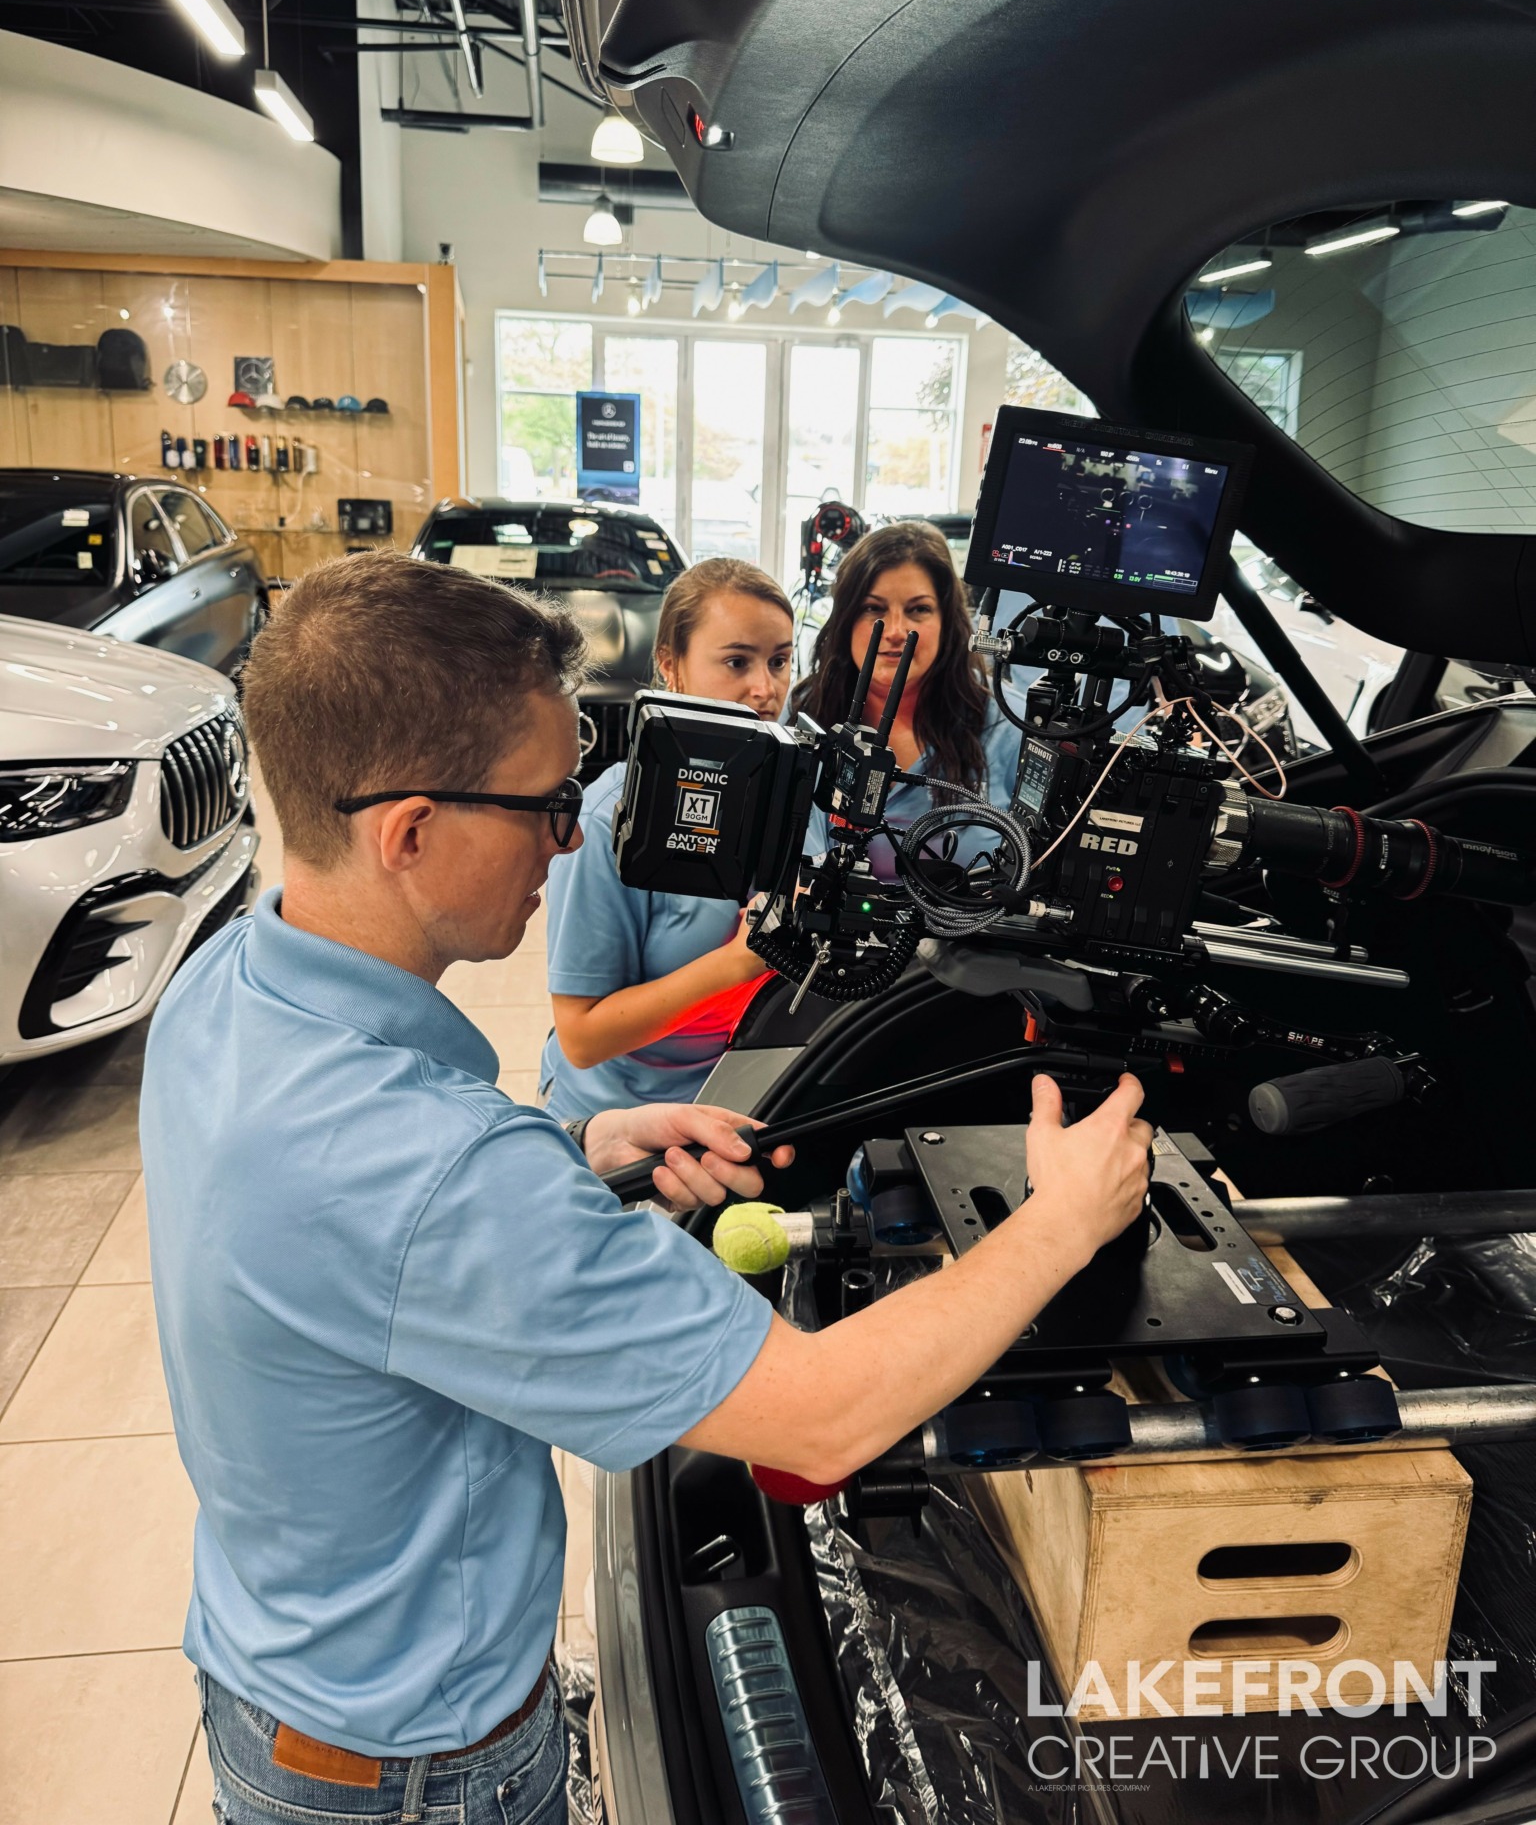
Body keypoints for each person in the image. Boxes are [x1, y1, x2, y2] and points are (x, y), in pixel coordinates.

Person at [139, 551, 1150, 1825]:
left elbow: (358, 1229)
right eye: (547, 804)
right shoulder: (438, 1175)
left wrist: (580, 1148)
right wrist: (1062, 1218)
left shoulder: (228, 980)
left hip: (279, 1668)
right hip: (420, 1773)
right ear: (410, 832)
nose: (568, 839)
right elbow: (823, 1417)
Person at [541, 557, 793, 1121]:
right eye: (737, 661)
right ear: (670, 664)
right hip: (626, 1116)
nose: (765, 688)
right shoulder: (608, 823)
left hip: (756, 1093)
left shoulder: (798, 797)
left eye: (779, 661)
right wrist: (738, 962)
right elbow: (582, 1037)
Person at [794, 519, 1021, 873]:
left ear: (948, 622)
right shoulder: (804, 709)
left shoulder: (1009, 726)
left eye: (918, 609)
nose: (896, 631)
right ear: (845, 618)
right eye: (873, 608)